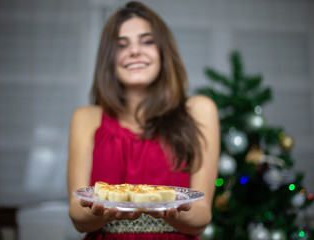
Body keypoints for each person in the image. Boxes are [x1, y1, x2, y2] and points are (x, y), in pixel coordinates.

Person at [67, 1, 220, 239]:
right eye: (121, 45)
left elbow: (201, 216)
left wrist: (168, 209)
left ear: (163, 52)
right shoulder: (85, 118)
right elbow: (78, 216)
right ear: (110, 59)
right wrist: (102, 212)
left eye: (147, 41)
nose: (135, 51)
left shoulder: (200, 110)